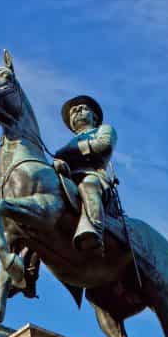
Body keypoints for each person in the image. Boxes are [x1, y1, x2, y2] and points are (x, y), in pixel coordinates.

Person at [52, 95, 116, 253]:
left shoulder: (103, 130)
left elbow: (104, 145)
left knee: (89, 185)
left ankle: (93, 230)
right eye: (73, 112)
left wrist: (71, 152)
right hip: (68, 178)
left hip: (93, 174)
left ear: (94, 117)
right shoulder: (69, 143)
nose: (78, 113)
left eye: (83, 109)